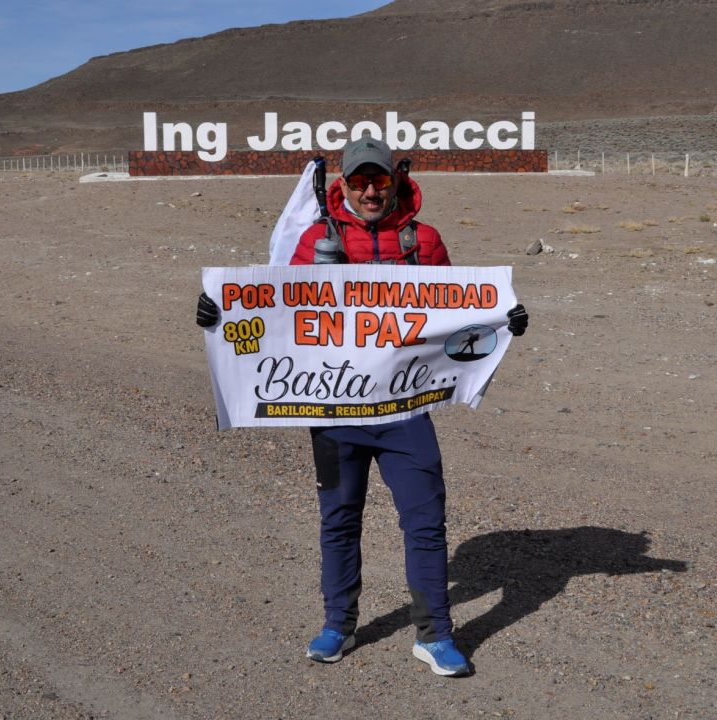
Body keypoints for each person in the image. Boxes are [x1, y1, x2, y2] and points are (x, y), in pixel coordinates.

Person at [197, 137, 529, 677]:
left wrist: (503, 319)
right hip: (335, 413)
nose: (370, 191)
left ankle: (435, 635)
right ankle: (338, 625)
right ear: (344, 185)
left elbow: (458, 312)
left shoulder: (423, 241)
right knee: (339, 519)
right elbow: (276, 314)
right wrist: (219, 314)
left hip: (404, 413)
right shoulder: (316, 240)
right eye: (359, 181)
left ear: (395, 180)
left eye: (379, 180)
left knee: (426, 521)